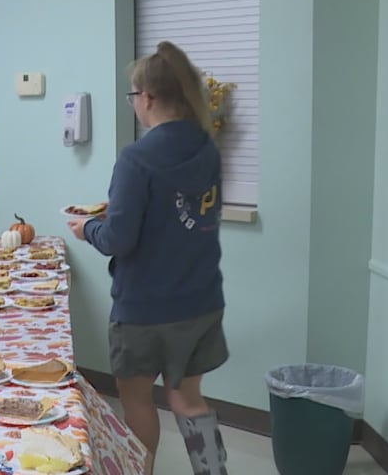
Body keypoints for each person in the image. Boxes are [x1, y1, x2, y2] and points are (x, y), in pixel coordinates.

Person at [67, 41, 228, 475]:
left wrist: (88, 230)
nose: (134, 103)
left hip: (145, 308)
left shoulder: (137, 158)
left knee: (137, 400)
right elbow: (182, 216)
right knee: (187, 399)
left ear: (149, 98)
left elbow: (119, 237)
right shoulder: (208, 149)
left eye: (133, 95)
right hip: (201, 301)